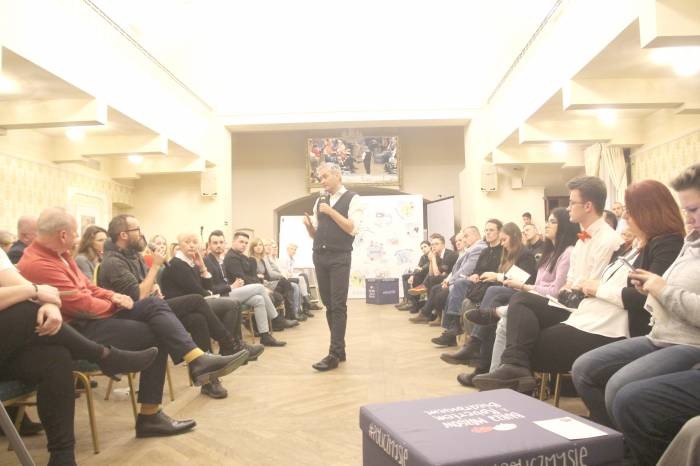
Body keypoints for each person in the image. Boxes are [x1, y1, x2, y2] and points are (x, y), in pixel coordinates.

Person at [18, 207, 248, 439]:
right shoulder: (40, 263)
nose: (78, 238)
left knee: (164, 314)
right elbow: (81, 306)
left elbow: (89, 288)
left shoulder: (62, 255)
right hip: (78, 330)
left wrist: (113, 296)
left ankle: (193, 364)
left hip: (95, 318)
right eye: (75, 233)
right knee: (160, 326)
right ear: (63, 235)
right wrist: (115, 304)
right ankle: (157, 407)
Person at [571, 165, 700, 465]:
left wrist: (661, 290)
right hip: (661, 333)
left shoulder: (669, 242)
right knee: (584, 368)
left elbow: (667, 293)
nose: (688, 218)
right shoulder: (689, 244)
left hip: (687, 342)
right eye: (685, 210)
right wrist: (654, 290)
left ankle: (633, 450)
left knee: (623, 392)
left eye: (693, 209)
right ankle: (619, 443)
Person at [0, 248, 158, 466]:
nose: (75, 240)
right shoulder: (38, 259)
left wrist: (48, 304)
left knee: (56, 357)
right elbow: (33, 291)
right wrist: (35, 291)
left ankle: (62, 457)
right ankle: (104, 356)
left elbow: (33, 290)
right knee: (24, 311)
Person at [473, 176, 622, 392]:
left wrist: (573, 287)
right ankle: (512, 371)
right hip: (570, 303)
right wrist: (572, 287)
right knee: (518, 308)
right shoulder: (582, 240)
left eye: (572, 203)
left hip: (587, 310)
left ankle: (512, 369)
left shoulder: (608, 240)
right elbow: (572, 283)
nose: (568, 208)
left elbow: (589, 287)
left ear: (588, 206)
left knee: (520, 307)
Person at [98, 215, 250, 399]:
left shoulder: (134, 255)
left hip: (151, 307)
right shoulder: (113, 262)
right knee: (197, 300)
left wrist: (155, 287)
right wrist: (155, 267)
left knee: (197, 319)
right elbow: (138, 296)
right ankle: (229, 345)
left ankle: (208, 379)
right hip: (128, 315)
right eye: (137, 230)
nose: (141, 234)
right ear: (123, 235)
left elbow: (147, 285)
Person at [453, 207, 579, 385]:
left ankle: (479, 344)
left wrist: (521, 285)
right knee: (495, 315)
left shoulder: (553, 253)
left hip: (548, 303)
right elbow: (537, 284)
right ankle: (491, 373)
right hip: (532, 296)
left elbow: (554, 290)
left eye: (552, 222)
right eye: (547, 221)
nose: (546, 225)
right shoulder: (548, 253)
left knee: (499, 295)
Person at [159, 232, 265, 365]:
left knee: (214, 312)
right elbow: (197, 290)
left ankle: (228, 348)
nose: (192, 245)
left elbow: (205, 287)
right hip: (182, 306)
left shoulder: (191, 262)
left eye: (194, 242)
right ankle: (230, 345)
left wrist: (202, 268)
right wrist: (211, 294)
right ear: (179, 245)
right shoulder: (177, 264)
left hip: (194, 304)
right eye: (187, 242)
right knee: (231, 305)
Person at [303, 162, 362, 371]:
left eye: (325, 176)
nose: (322, 181)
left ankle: (334, 353)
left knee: (338, 305)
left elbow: (352, 228)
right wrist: (309, 227)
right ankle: (340, 350)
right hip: (320, 256)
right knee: (328, 304)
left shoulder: (353, 198)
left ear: (338, 176)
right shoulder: (319, 200)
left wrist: (330, 212)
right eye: (320, 178)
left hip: (339, 257)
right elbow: (316, 233)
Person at [432, 220, 502, 347]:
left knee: (456, 286)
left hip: (491, 283)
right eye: (486, 230)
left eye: (491, 230)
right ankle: (453, 329)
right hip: (479, 282)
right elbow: (476, 269)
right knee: (444, 289)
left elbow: (498, 271)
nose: (487, 233)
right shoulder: (485, 251)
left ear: (499, 232)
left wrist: (452, 280)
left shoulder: (491, 249)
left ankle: (454, 328)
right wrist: (475, 275)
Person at [223, 231, 298, 333]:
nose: (244, 245)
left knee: (260, 299)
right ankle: (276, 319)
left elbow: (252, 275)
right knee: (261, 288)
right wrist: (261, 285)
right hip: (236, 290)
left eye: (246, 243)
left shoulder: (242, 256)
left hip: (245, 288)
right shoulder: (232, 257)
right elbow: (242, 278)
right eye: (241, 242)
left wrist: (258, 281)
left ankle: (264, 334)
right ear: (233, 242)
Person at [396, 240, 430, 309]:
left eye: (425, 247)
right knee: (405, 276)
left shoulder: (432, 255)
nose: (423, 249)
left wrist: (419, 270)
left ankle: (412, 302)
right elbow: (417, 268)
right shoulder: (423, 257)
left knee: (416, 277)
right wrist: (412, 275)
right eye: (422, 248)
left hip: (427, 275)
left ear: (430, 246)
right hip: (421, 274)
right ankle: (407, 299)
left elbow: (426, 267)